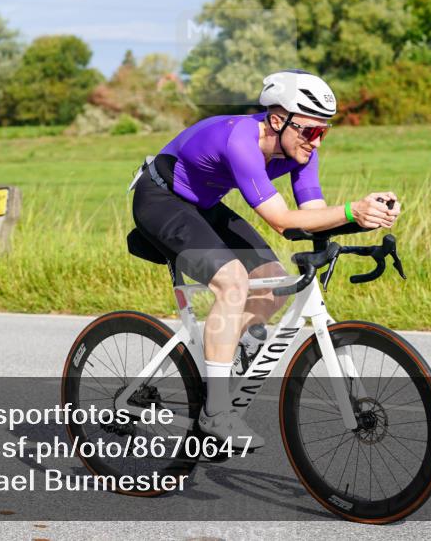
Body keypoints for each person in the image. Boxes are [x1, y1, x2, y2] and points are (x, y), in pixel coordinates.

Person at [129, 69, 401, 448]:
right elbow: (283, 222)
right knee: (233, 282)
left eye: (324, 131)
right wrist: (353, 211)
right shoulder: (240, 140)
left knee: (274, 282)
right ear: (277, 120)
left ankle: (226, 350)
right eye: (310, 131)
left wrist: (364, 222)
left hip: (204, 204)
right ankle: (216, 412)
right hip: (160, 200)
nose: (317, 142)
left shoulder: (301, 150)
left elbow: (313, 215)